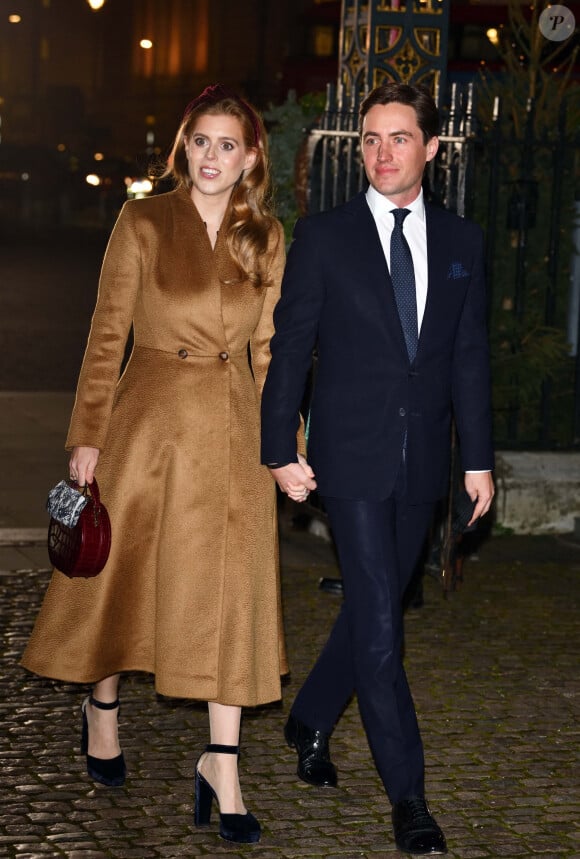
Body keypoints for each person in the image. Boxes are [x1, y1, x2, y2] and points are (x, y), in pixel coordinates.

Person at [22, 83, 292, 845]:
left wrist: (284, 447)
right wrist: (87, 435)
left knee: (228, 592)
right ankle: (101, 707)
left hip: (233, 429)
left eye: (227, 145)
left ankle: (223, 764)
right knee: (122, 576)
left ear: (250, 158)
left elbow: (269, 352)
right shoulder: (140, 219)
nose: (212, 157)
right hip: (144, 423)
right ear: (185, 148)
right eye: (201, 141)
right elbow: (107, 333)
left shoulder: (265, 237)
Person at [261, 82, 495, 855]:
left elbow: (468, 359)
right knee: (385, 632)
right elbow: (291, 346)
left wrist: (479, 463)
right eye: (369, 138)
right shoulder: (325, 237)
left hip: (423, 461)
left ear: (431, 149)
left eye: (398, 137)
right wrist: (278, 447)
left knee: (372, 608)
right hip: (349, 459)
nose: (381, 152)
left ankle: (311, 715)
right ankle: (409, 796)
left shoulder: (462, 241)